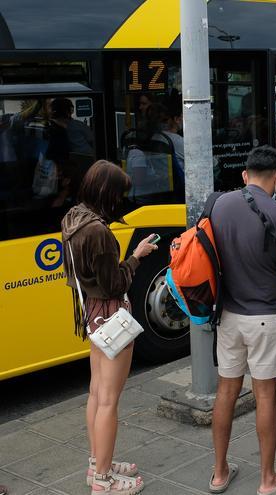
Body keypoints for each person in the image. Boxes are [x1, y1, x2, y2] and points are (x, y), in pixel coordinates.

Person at [210, 146, 276, 495]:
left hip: (228, 315)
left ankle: (219, 473)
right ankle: (268, 479)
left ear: (245, 175)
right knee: (265, 396)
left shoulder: (219, 204)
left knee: (226, 392)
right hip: (265, 315)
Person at [61, 161, 159, 495]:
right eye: (120, 194)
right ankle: (103, 480)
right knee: (109, 402)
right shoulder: (98, 231)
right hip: (113, 315)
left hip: (91, 313)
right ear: (108, 192)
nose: (122, 200)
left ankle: (97, 463)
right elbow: (115, 283)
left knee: (96, 393)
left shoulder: (73, 218)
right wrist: (137, 256)